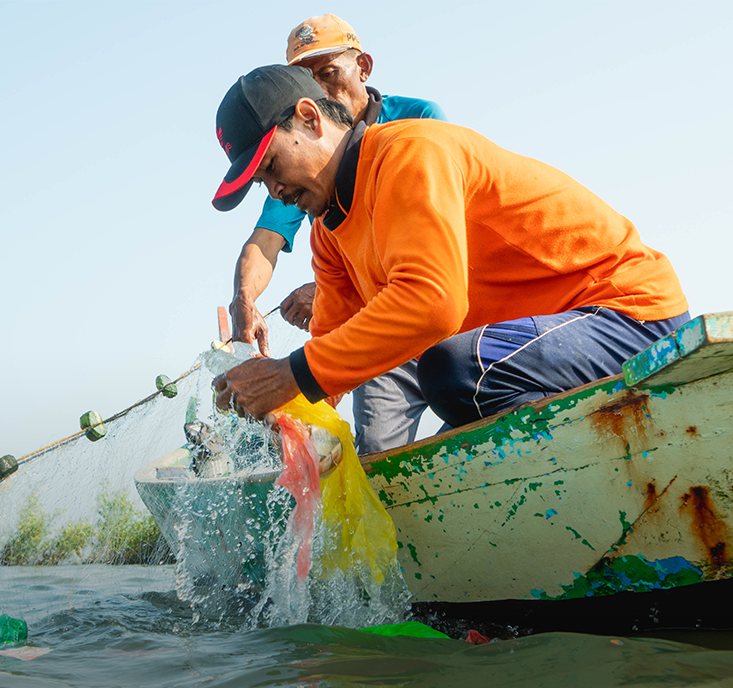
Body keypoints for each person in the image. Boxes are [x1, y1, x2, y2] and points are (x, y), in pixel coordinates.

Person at [208, 65, 689, 432]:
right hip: (545, 343)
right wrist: (279, 413)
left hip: (626, 316)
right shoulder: (328, 233)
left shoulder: (410, 154)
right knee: (455, 390)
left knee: (455, 370)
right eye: (261, 184)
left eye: (271, 166)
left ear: (310, 118)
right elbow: (332, 352)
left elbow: (433, 304)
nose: (274, 191)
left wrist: (288, 375)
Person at [225, 14, 446, 455]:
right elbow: (265, 241)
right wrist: (244, 301)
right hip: (374, 330)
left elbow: (435, 275)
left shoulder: (416, 130)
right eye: (304, 80)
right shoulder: (299, 178)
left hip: (441, 311)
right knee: (376, 456)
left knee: (459, 377)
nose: (320, 91)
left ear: (363, 66)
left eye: (328, 74)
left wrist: (290, 371)